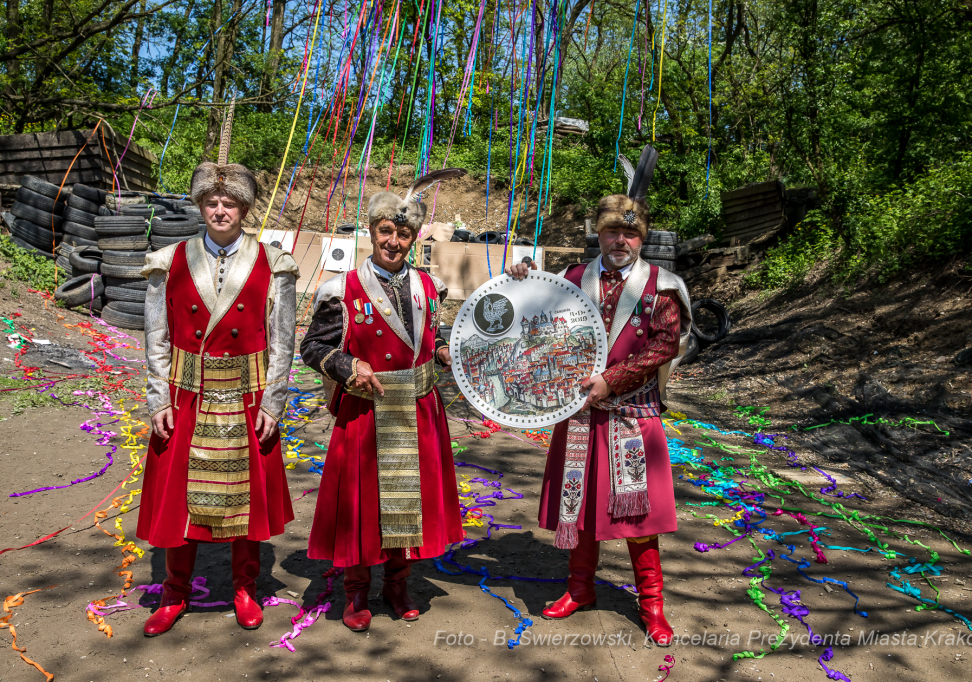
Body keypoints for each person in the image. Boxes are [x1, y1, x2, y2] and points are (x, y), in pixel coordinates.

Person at [505, 145, 691, 646]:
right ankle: (580, 589)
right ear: (599, 233)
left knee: (639, 516)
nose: (621, 240)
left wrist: (612, 379)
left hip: (632, 414)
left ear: (641, 238)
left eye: (631, 232)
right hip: (581, 414)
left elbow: (664, 345)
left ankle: (652, 606)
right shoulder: (570, 280)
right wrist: (522, 279)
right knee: (581, 507)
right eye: (613, 231)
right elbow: (532, 320)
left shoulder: (662, 285)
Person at [301, 168, 467, 633]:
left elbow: (429, 336)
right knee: (363, 503)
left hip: (418, 407)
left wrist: (442, 350)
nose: (393, 241)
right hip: (366, 408)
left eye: (403, 233)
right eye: (385, 231)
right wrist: (348, 366)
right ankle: (356, 591)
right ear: (371, 232)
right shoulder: (343, 288)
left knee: (406, 504)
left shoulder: (427, 286)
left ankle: (397, 583)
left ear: (414, 237)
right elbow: (313, 346)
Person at [136, 162, 299, 636]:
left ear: (245, 208)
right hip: (186, 394)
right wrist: (158, 399)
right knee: (177, 500)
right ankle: (174, 591)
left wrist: (273, 403)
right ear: (200, 204)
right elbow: (155, 338)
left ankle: (245, 588)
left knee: (245, 501)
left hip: (248, 396)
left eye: (230, 203)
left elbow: (283, 341)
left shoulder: (274, 263)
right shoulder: (167, 260)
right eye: (212, 201)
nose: (220, 210)